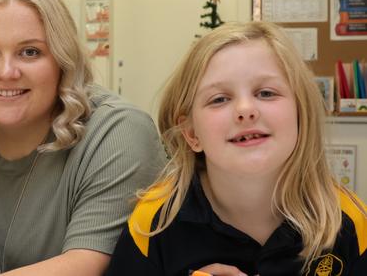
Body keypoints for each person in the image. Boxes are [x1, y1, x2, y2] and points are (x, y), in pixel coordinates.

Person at [0, 0, 166, 276]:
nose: (6, 72)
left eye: (30, 52)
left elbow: (85, 266)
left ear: (64, 61)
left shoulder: (117, 133)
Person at [105, 22, 367, 275]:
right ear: (191, 133)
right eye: (219, 99)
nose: (245, 110)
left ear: (301, 114)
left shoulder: (349, 224)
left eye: (266, 93)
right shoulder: (152, 225)